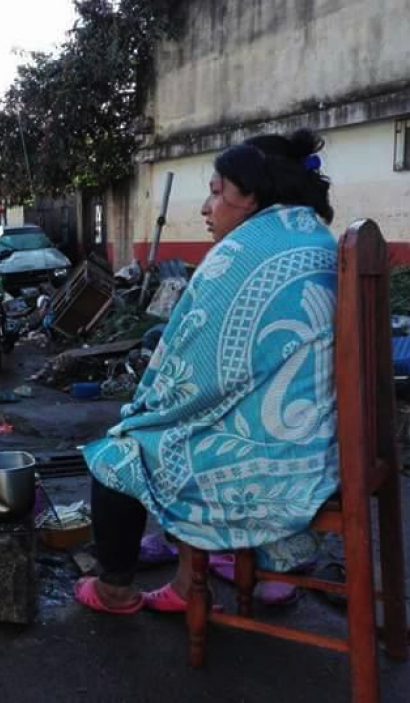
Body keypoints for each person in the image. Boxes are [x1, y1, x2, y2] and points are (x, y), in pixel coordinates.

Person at [76, 128, 339, 615]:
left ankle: (115, 592)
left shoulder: (247, 249)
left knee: (121, 451)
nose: (205, 207)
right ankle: (186, 581)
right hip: (318, 439)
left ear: (251, 195)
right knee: (185, 429)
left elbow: (191, 370)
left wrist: (143, 410)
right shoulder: (312, 235)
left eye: (217, 192)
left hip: (279, 455)